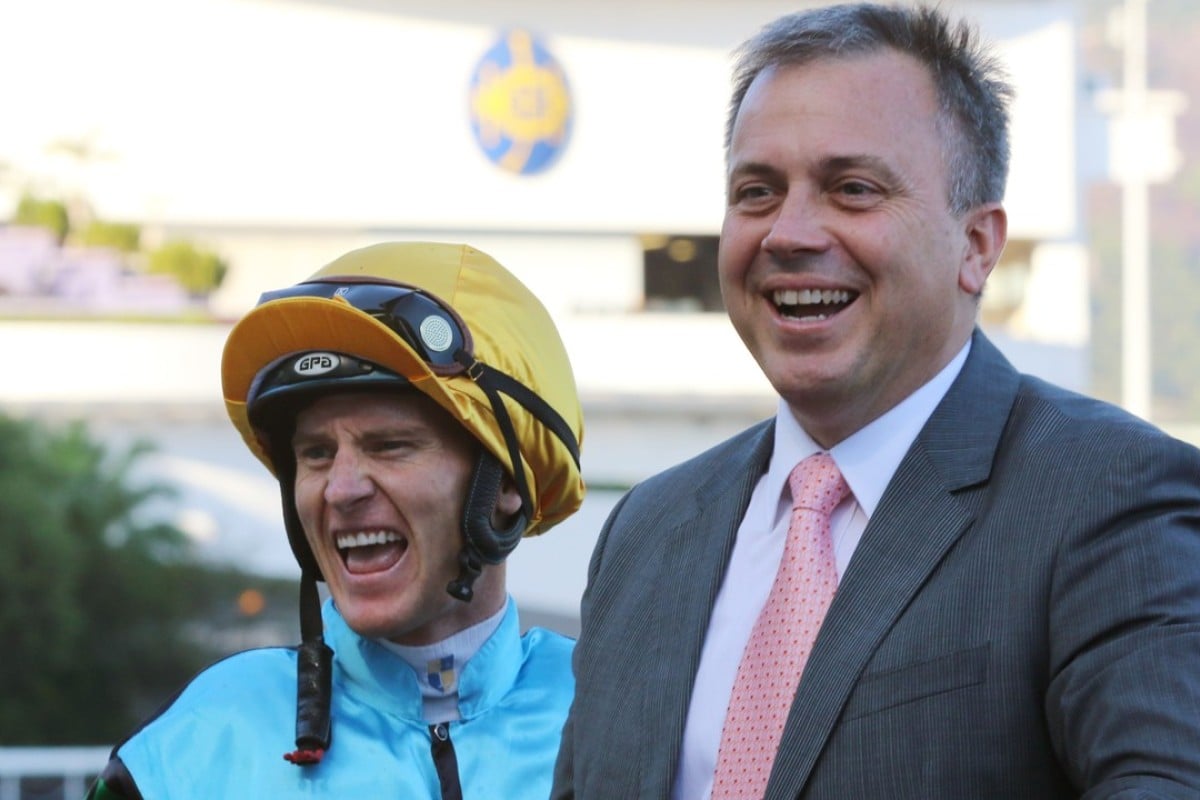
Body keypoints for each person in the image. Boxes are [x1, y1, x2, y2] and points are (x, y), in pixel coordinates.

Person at [552, 4, 1200, 799]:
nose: (788, 232)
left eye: (851, 189)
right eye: (756, 191)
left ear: (977, 245)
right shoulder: (647, 533)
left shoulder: (1106, 498)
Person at [87, 241, 585, 798]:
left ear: (508, 485)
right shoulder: (190, 747)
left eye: (390, 446)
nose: (341, 489)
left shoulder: (620, 713)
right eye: (316, 454)